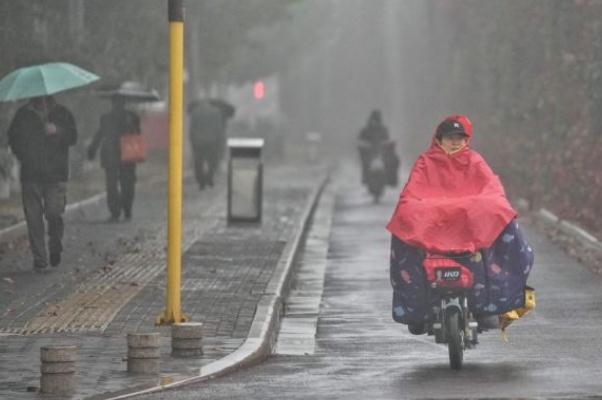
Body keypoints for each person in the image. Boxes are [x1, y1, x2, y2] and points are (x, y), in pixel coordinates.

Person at [386, 114, 534, 334]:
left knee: (502, 215)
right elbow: (412, 191)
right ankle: (416, 310)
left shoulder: (474, 160)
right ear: (439, 139)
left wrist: (488, 204)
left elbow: (491, 187)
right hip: (434, 218)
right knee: (404, 219)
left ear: (467, 140)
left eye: (460, 137)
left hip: (468, 217)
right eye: (450, 137)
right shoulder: (425, 161)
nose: (455, 142)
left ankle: (494, 302)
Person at [7, 96, 77, 269]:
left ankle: (55, 242)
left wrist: (58, 130)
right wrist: (25, 154)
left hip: (55, 175)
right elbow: (13, 138)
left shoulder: (62, 113)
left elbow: (73, 137)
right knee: (33, 219)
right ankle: (40, 260)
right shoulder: (23, 115)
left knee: (54, 213)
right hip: (31, 175)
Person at [87, 96, 141, 222]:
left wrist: (92, 149)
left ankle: (120, 210)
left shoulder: (129, 117)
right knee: (119, 183)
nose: (117, 105)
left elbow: (137, 133)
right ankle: (121, 210)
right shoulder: (126, 117)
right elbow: (100, 134)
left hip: (119, 154)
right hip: (117, 154)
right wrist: (93, 148)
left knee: (121, 183)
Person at [188, 99, 224, 190]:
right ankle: (209, 177)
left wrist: (191, 139)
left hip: (198, 142)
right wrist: (220, 140)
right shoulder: (216, 112)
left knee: (198, 163)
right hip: (212, 141)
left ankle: (201, 181)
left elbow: (192, 127)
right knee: (212, 161)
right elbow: (219, 127)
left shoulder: (195, 112)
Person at [358, 110, 390, 184]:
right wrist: (365, 146)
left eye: (377, 120)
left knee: (388, 162)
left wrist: (385, 146)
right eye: (374, 119)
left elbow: (387, 140)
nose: (375, 122)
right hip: (369, 152)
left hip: (380, 152)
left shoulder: (383, 129)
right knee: (365, 164)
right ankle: (366, 178)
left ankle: (386, 178)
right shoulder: (366, 130)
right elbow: (361, 140)